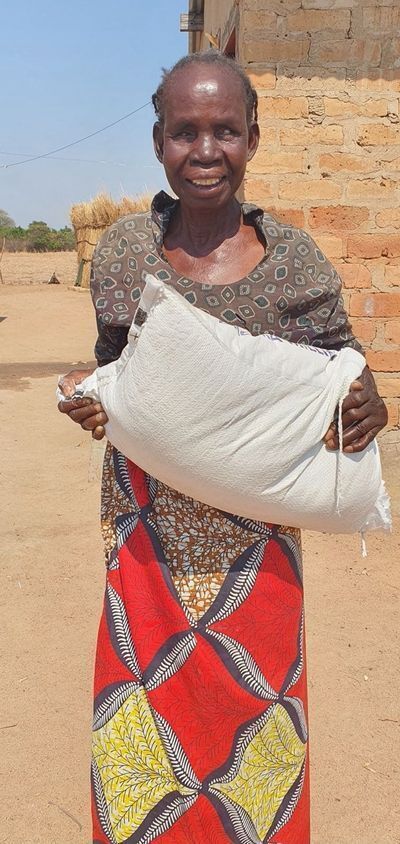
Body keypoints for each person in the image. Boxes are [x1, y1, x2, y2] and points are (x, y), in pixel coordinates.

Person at [58, 52, 387, 844]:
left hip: (255, 558)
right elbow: (118, 370)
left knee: (254, 755)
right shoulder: (125, 254)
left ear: (254, 138)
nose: (205, 151)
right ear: (157, 142)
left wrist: (367, 404)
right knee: (141, 746)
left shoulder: (295, 263)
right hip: (145, 549)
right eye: (185, 132)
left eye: (226, 131)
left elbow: (343, 369)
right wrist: (93, 401)